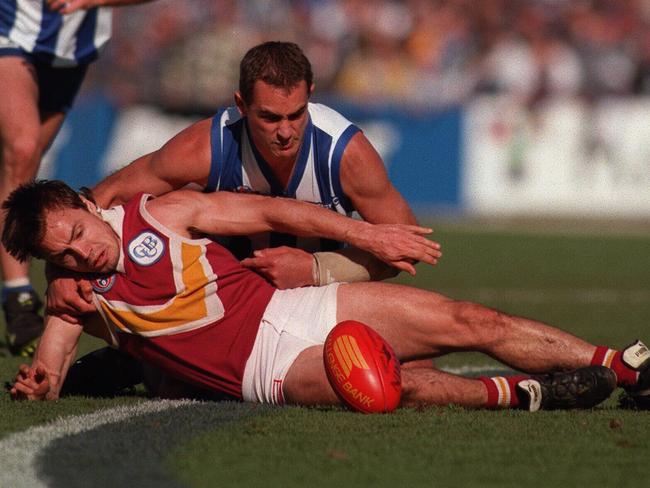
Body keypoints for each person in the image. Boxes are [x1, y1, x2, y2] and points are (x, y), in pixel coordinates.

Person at [6, 180, 650, 412]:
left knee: (471, 319)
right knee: (380, 382)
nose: (81, 251)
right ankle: (525, 396)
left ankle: (623, 366)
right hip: (268, 372)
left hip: (291, 309)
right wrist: (43, 380)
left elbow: (278, 208)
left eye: (79, 232)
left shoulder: (165, 213)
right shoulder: (73, 290)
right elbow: (52, 360)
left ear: (91, 204)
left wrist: (368, 234)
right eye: (61, 252)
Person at [0, 0, 154, 357]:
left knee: (26, 161)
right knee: (21, 149)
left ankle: (28, 292)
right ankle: (18, 296)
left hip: (72, 48)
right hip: (11, 28)